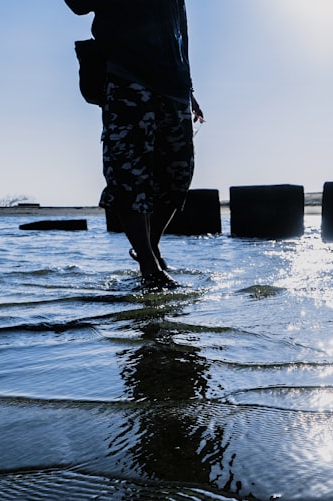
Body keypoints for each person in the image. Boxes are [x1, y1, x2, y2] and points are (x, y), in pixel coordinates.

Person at [66, 0, 205, 289]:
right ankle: (148, 265)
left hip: (174, 84)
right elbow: (78, 5)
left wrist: (189, 88)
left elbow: (180, 30)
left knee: (179, 176)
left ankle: (149, 247)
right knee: (128, 172)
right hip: (127, 76)